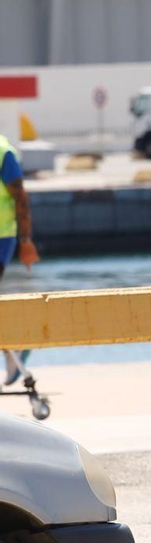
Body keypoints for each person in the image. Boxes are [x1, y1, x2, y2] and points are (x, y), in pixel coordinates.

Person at [0, 131, 39, 386]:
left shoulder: (4, 152)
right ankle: (14, 345)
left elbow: (20, 198)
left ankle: (15, 345)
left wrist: (25, 242)